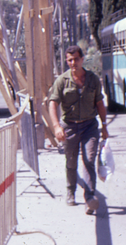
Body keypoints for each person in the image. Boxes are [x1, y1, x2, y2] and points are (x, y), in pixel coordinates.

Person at [47, 45, 109, 215]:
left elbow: (100, 103)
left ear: (82, 59)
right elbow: (53, 103)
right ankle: (70, 190)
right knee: (71, 161)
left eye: (76, 59)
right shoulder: (62, 81)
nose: (73, 63)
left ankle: (89, 198)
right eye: (70, 60)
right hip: (70, 127)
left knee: (89, 159)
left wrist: (104, 126)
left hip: (89, 125)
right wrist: (56, 126)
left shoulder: (93, 79)